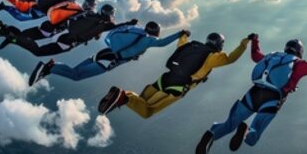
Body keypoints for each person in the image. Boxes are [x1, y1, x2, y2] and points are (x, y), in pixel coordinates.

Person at [194, 35, 307, 154]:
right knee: (252, 138)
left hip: (253, 92)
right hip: (272, 99)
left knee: (229, 124)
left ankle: (211, 134)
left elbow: (255, 54)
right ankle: (246, 130)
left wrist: (255, 40)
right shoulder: (299, 65)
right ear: (300, 52)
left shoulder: (271, 57)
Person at [98, 32, 252, 117]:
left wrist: (184, 34)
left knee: (141, 100)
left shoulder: (191, 46)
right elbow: (231, 58)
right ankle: (123, 96)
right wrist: (244, 43)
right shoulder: (213, 57)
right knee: (147, 111)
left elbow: (181, 41)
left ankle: (124, 95)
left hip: (164, 79)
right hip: (176, 88)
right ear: (219, 45)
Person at [27, 22, 184, 85]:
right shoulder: (149, 40)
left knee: (75, 70)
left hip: (104, 53)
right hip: (109, 61)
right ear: (156, 32)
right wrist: (180, 33)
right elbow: (162, 43)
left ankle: (52, 66)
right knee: (76, 76)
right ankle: (49, 68)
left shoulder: (137, 33)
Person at [0, 4, 137, 56]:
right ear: (109, 15)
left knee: (25, 36)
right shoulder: (104, 24)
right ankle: (11, 38)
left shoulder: (88, 13)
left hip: (57, 29)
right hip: (66, 41)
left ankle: (3, 29)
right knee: (37, 51)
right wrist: (130, 22)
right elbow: (119, 26)